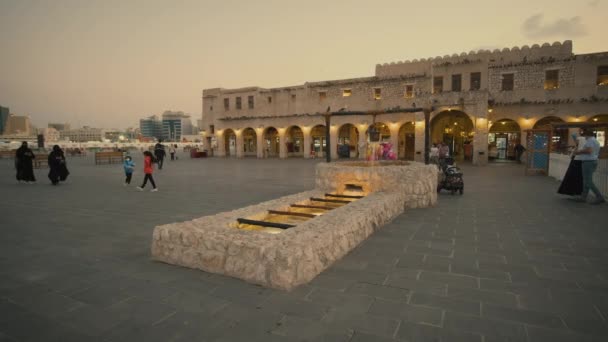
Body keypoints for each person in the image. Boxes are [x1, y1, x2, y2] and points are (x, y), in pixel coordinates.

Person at [573, 128, 605, 204]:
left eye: (584, 136)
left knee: (588, 181)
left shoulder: (590, 140)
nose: (584, 137)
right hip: (592, 161)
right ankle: (583, 197)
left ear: (587, 135)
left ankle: (599, 197)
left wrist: (578, 152)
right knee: (586, 180)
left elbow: (589, 151)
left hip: (588, 162)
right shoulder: (595, 141)